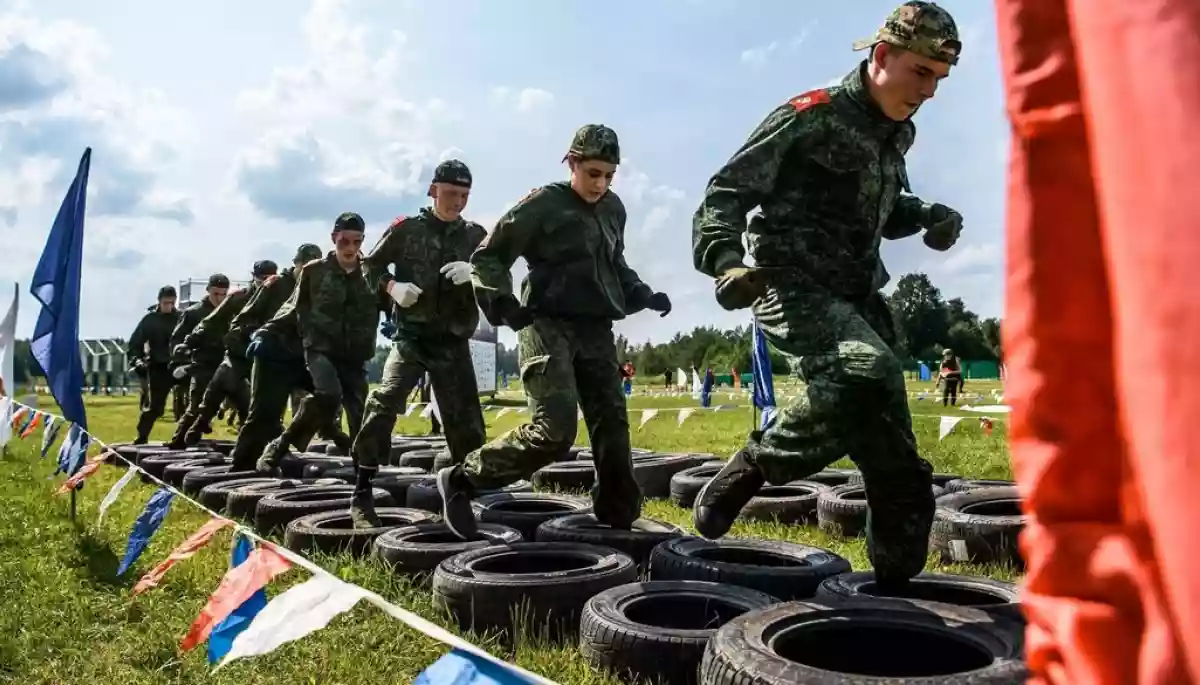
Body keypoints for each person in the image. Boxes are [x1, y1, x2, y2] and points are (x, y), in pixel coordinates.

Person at [688, 1, 964, 590]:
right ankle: (754, 465)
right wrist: (726, 262)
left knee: (899, 468)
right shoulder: (810, 115)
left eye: (940, 80)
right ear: (882, 56)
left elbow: (886, 210)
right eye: (921, 72)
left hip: (858, 294)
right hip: (790, 285)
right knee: (865, 372)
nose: (930, 92)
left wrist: (928, 216)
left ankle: (890, 592)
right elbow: (726, 191)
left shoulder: (899, 129)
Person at [436, 124, 673, 540]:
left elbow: (613, 264)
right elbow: (489, 256)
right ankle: (461, 479)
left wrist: (643, 294)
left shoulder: (613, 209)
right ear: (573, 164)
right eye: (593, 173)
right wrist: (502, 302)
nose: (600, 183)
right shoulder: (544, 204)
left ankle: (618, 514)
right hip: (544, 323)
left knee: (612, 423)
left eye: (609, 175)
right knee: (554, 431)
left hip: (595, 326)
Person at [350, 160, 488, 527]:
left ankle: (458, 493)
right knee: (384, 404)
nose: (457, 202)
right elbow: (369, 267)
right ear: (433, 191)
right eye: (450, 193)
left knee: (467, 426)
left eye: (464, 195)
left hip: (452, 341)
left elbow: (498, 272)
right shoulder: (406, 230)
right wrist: (392, 287)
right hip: (411, 338)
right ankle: (362, 492)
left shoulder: (475, 236)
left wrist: (476, 272)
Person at [256, 213, 378, 476]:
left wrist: (395, 319)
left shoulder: (371, 272)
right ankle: (278, 447)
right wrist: (267, 330)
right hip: (320, 348)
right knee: (329, 394)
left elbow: (389, 301)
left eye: (357, 241)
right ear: (334, 238)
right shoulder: (314, 271)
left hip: (355, 354)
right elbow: (293, 306)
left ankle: (363, 473)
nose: (350, 248)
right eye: (344, 241)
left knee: (359, 413)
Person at [225, 244, 325, 470]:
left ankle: (286, 444)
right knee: (262, 415)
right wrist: (254, 337)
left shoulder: (321, 287)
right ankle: (240, 465)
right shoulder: (276, 285)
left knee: (329, 394)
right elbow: (241, 321)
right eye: (305, 266)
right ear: (296, 264)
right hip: (271, 357)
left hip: (302, 357)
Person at [168, 260, 279, 448]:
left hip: (255, 361)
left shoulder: (278, 301)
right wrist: (188, 344)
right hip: (222, 361)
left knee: (254, 409)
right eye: (262, 280)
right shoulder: (238, 299)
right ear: (254, 278)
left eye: (270, 279)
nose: (266, 284)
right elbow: (211, 321)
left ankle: (256, 449)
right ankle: (180, 442)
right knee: (201, 406)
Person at [165, 274, 230, 447]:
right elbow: (177, 340)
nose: (220, 298)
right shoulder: (194, 313)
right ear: (208, 291)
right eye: (216, 293)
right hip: (203, 365)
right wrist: (181, 363)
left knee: (247, 405)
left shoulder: (232, 311)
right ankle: (179, 441)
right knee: (197, 407)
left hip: (228, 365)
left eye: (224, 294)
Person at [128, 286, 181, 444]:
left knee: (190, 405)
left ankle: (186, 438)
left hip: (179, 366)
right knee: (155, 407)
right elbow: (134, 344)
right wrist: (137, 360)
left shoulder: (181, 318)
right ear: (159, 301)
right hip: (158, 366)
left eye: (172, 303)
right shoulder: (150, 320)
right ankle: (142, 435)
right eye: (166, 303)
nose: (168, 306)